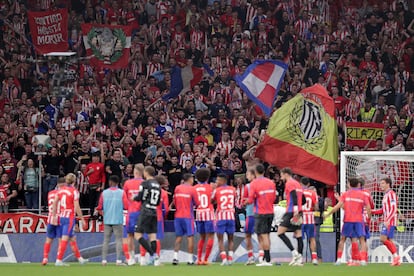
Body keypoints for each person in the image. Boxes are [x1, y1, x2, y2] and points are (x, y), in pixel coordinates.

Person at [324, 177, 371, 266]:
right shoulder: (363, 195)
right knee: (361, 239)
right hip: (359, 220)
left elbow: (338, 206)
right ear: (358, 185)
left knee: (343, 239)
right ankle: (363, 260)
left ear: (349, 184)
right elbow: (368, 207)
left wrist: (328, 214)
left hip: (348, 220)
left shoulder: (346, 194)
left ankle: (339, 260)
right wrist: (369, 217)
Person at [53, 175, 87, 266]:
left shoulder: (60, 190)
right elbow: (77, 207)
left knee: (72, 238)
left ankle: (80, 259)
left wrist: (53, 216)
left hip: (61, 216)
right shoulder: (74, 191)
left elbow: (55, 203)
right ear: (74, 181)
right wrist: (82, 219)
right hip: (69, 217)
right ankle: (59, 260)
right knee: (65, 238)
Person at [246, 163, 276, 267]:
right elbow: (274, 197)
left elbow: (250, 199)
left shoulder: (254, 183)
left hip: (260, 212)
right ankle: (266, 258)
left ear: (255, 172)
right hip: (270, 211)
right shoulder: (271, 182)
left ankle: (267, 260)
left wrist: (246, 201)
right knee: (267, 235)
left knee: (263, 235)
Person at [96, 175, 129, 265]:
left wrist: (104, 214)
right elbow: (126, 206)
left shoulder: (104, 193)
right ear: (118, 183)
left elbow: (99, 207)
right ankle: (118, 260)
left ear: (110, 182)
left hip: (107, 220)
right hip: (118, 219)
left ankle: (103, 260)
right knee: (118, 240)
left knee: (106, 240)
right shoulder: (122, 193)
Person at [134, 166, 162, 266]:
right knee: (152, 236)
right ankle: (152, 259)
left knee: (137, 235)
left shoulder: (145, 183)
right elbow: (158, 201)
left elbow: (140, 197)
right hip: (154, 211)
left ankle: (153, 254)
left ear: (146, 173)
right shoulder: (158, 185)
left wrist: (134, 198)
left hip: (145, 211)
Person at [139, 175, 169, 266]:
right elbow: (166, 209)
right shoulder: (164, 193)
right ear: (162, 183)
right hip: (158, 217)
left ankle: (142, 259)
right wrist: (163, 216)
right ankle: (156, 260)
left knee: (144, 237)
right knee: (156, 239)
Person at [277, 167, 304, 266]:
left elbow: (294, 196)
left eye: (281, 174)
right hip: (299, 211)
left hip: (291, 211)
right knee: (298, 234)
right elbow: (303, 199)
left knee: (280, 232)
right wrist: (299, 209)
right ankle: (299, 259)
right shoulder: (298, 184)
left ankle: (294, 253)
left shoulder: (290, 183)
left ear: (285, 174)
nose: (280, 177)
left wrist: (295, 210)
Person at [172, 173, 200, 265]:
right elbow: (197, 203)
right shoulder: (193, 189)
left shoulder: (177, 188)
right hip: (188, 216)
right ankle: (190, 259)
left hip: (178, 216)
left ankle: (175, 258)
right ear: (190, 179)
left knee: (178, 237)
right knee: (190, 236)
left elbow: (175, 202)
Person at [372, 178, 401, 266]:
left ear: (388, 184)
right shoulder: (386, 195)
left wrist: (388, 219)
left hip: (390, 221)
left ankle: (396, 257)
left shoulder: (391, 194)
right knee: (389, 240)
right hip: (388, 220)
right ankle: (396, 259)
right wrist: (372, 211)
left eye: (383, 183)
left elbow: (393, 208)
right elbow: (383, 210)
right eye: (380, 183)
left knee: (383, 239)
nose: (381, 185)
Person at [212, 173, 236, 266]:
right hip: (231, 216)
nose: (216, 182)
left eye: (218, 180)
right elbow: (234, 199)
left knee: (220, 239)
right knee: (231, 239)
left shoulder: (216, 190)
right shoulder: (233, 190)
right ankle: (230, 259)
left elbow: (212, 201)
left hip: (221, 216)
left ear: (223, 181)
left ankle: (224, 259)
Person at [123, 164, 145, 264]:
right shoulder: (145, 183)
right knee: (142, 235)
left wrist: (129, 207)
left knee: (130, 235)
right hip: (143, 212)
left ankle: (131, 258)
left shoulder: (127, 183)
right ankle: (142, 258)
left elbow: (124, 199)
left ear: (135, 172)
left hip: (131, 213)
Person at [193, 168, 215, 265]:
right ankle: (206, 259)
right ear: (208, 177)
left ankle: (198, 259)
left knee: (202, 237)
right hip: (208, 213)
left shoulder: (194, 188)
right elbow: (214, 200)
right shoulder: (211, 187)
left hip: (199, 213)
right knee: (210, 236)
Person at [41, 178, 65, 265]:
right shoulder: (63, 194)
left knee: (48, 239)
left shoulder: (50, 193)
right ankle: (58, 260)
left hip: (50, 218)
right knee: (60, 240)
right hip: (60, 218)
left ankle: (45, 258)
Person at [243, 168, 262, 265]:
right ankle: (262, 258)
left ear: (253, 175)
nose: (246, 176)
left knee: (248, 235)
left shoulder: (248, 186)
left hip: (251, 214)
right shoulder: (262, 185)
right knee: (261, 236)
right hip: (260, 213)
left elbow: (244, 201)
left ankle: (251, 257)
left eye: (248, 174)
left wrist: (245, 202)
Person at [301, 177, 318, 265]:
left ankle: (299, 259)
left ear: (301, 183)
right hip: (310, 217)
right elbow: (316, 207)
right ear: (308, 184)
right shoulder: (313, 193)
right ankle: (314, 258)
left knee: (299, 238)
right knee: (312, 238)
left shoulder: (299, 192)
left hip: (301, 217)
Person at [360, 177, 374, 265]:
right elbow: (371, 206)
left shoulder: (355, 193)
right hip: (366, 218)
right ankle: (364, 258)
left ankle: (360, 259)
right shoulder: (368, 193)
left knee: (358, 239)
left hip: (357, 217)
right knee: (363, 239)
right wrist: (369, 217)